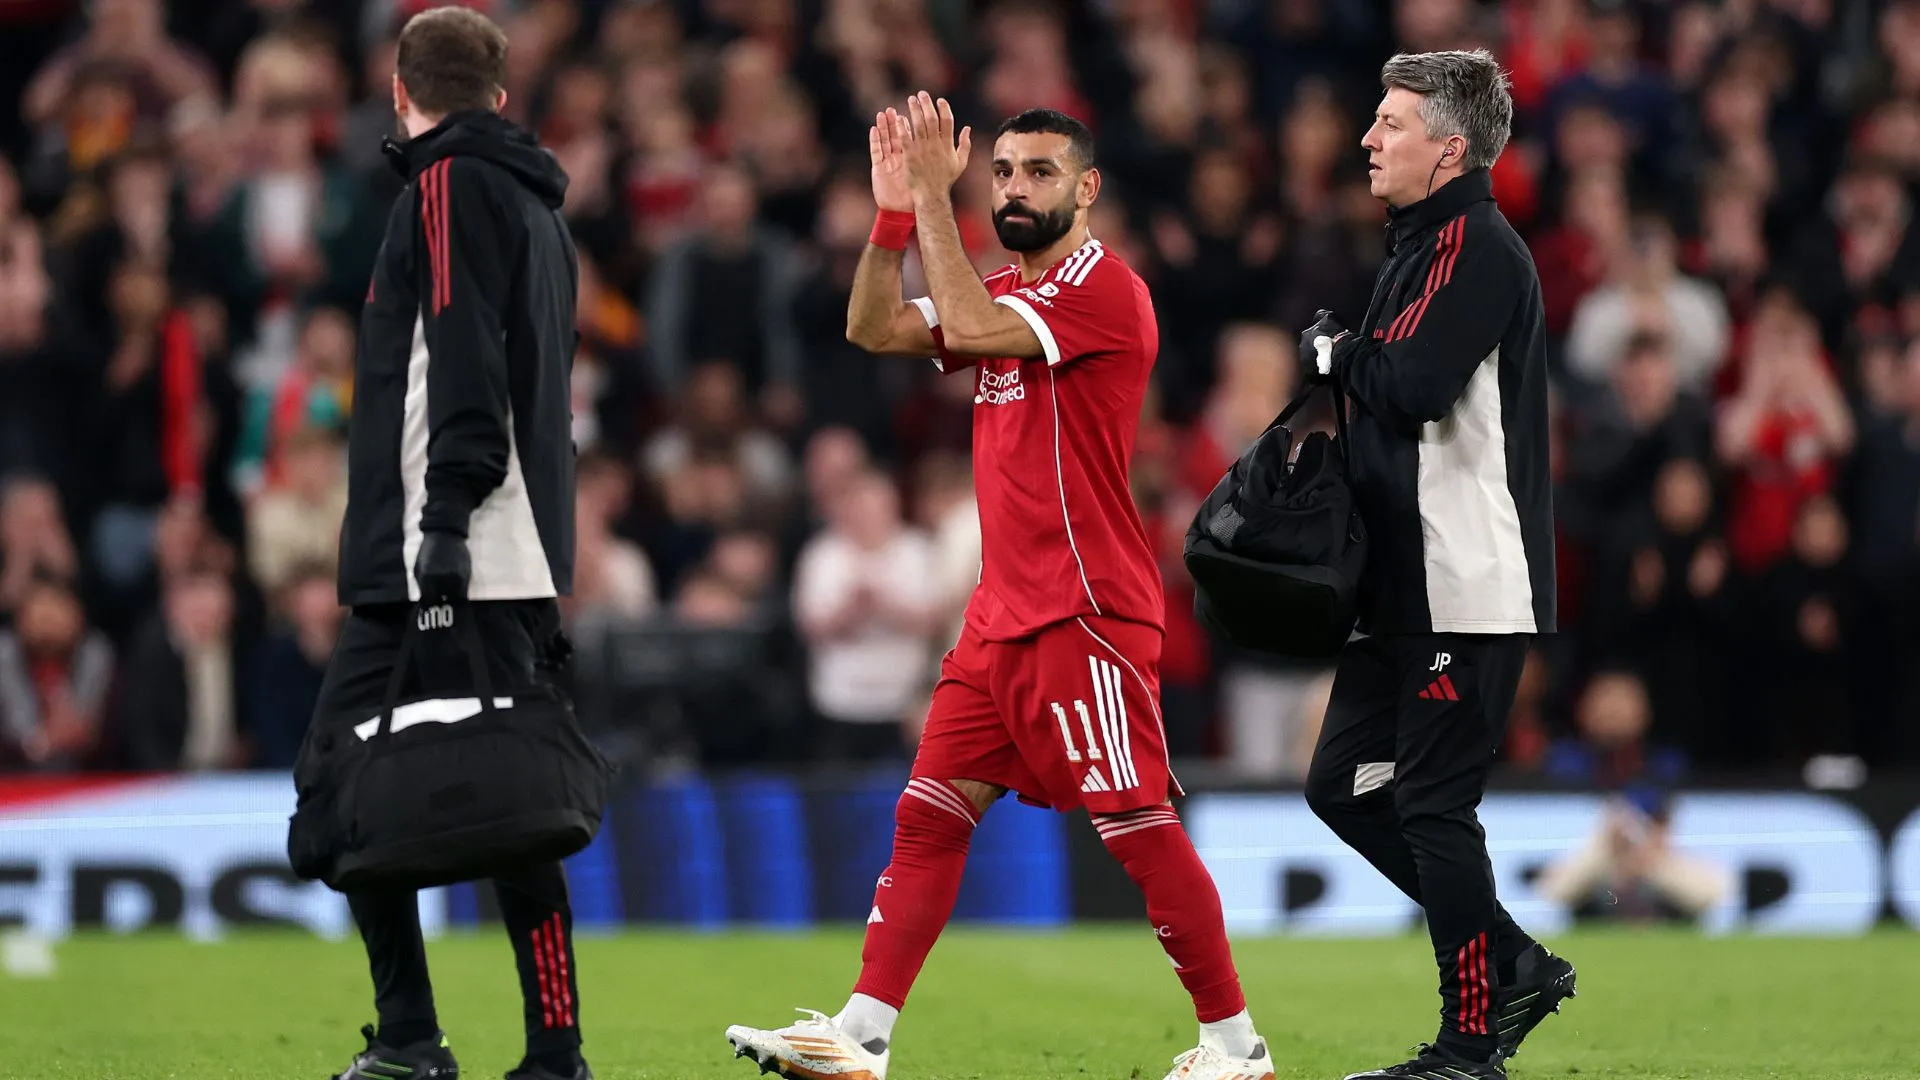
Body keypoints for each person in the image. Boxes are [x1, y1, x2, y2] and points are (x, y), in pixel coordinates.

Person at [725, 96, 1277, 1080]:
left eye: (1040, 172)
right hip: (1002, 612)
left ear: (1087, 189)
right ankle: (862, 1035)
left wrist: (937, 203)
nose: (1017, 187)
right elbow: (873, 327)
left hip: (1085, 606)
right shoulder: (1008, 289)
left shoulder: (1104, 291)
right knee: (929, 811)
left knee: (1136, 825)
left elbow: (973, 325)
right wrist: (894, 215)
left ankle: (1237, 1049)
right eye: (1006, 173)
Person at [305, 8, 588, 1080]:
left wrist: (441, 530)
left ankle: (424, 1039)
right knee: (512, 798)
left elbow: (462, 361)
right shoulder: (532, 202)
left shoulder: (445, 187)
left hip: (448, 548)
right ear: (501, 97)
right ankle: (537, 1049)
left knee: (344, 776)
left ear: (397, 87)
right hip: (501, 547)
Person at [1294, 51, 1574, 1080]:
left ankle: (1470, 1046)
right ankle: (1511, 960)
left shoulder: (1480, 246)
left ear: (1450, 149)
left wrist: (1333, 354)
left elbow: (1410, 383)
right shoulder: (1423, 242)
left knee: (1431, 807)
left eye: (1391, 124)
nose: (1369, 139)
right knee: (1339, 786)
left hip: (1468, 577)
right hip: (1406, 581)